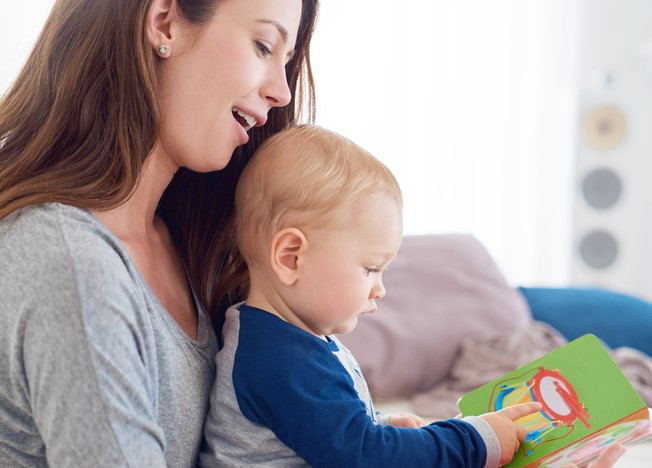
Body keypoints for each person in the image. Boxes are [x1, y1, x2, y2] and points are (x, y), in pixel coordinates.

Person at [0, 0, 319, 466]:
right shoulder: (72, 261)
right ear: (164, 22)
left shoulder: (178, 244)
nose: (281, 92)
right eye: (263, 45)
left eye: (286, 63)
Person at [199, 124, 547, 467]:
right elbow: (365, 456)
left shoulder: (285, 341)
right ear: (291, 257)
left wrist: (379, 423)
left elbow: (326, 426)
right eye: (369, 269)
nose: (380, 288)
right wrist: (474, 439)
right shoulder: (279, 359)